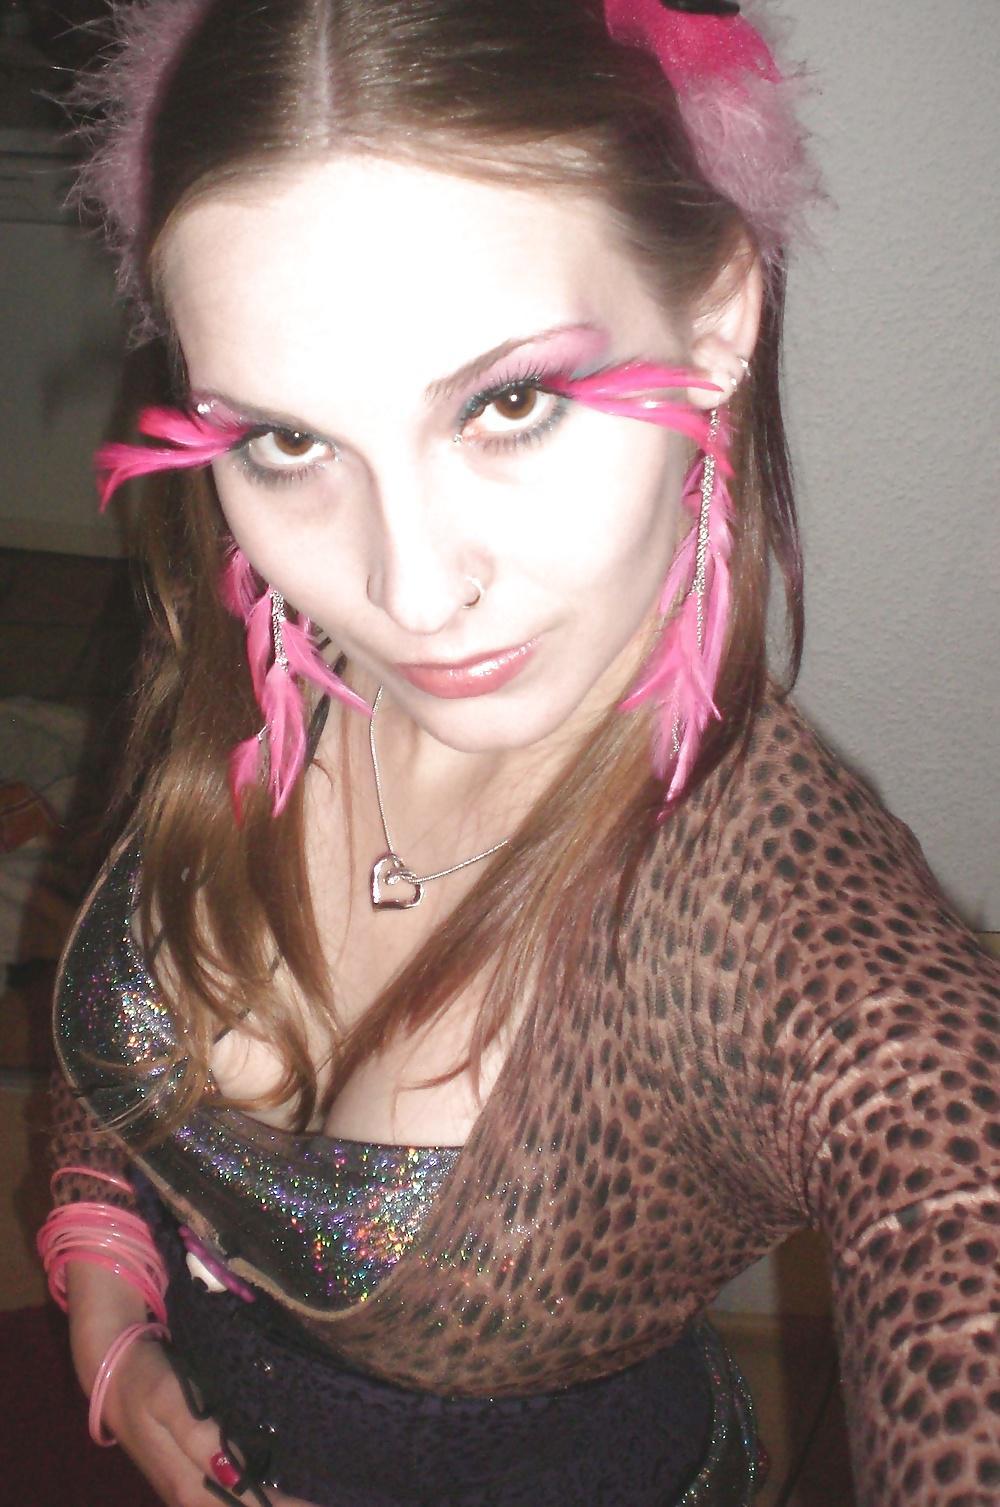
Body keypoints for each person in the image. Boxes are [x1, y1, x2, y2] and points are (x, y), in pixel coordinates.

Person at [39, 2, 999, 1504]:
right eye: (287, 440)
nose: (406, 595)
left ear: (716, 321)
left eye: (510, 402)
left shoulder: (815, 958)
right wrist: (107, 1274)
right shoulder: (244, 637)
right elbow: (128, 982)